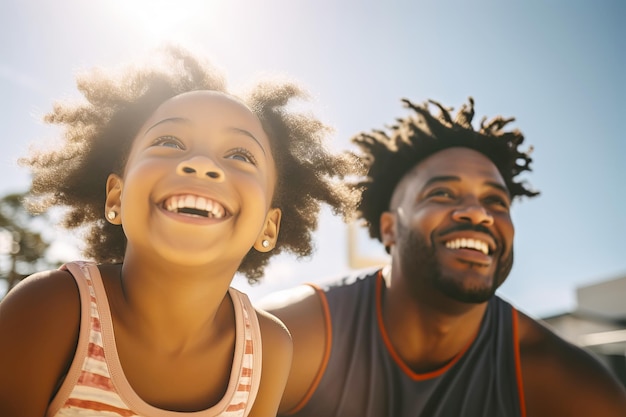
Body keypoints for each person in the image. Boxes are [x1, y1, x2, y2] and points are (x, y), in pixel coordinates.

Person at [0, 45, 359, 416]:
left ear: (267, 226)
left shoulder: (267, 349)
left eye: (239, 155)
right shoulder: (50, 309)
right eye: (169, 142)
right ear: (116, 197)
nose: (201, 164)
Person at [263, 97, 626, 416]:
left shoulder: (565, 382)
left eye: (495, 201)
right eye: (442, 193)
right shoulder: (292, 335)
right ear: (389, 228)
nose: (479, 213)